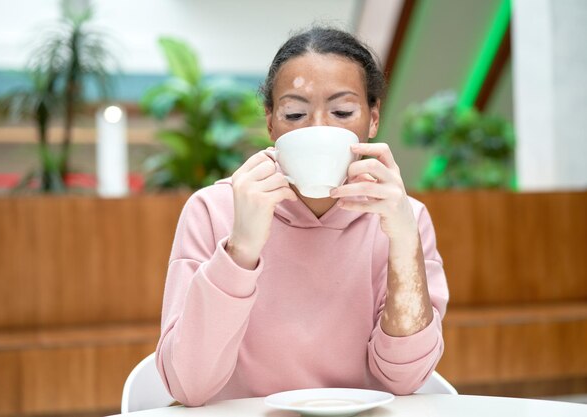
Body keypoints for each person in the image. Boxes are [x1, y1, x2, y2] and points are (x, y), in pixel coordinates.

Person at [155, 26, 449, 407]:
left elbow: (405, 379)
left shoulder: (404, 217)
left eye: (342, 112)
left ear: (373, 119)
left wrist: (405, 243)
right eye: (294, 113)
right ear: (271, 123)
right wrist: (241, 247)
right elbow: (188, 385)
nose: (319, 130)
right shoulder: (212, 210)